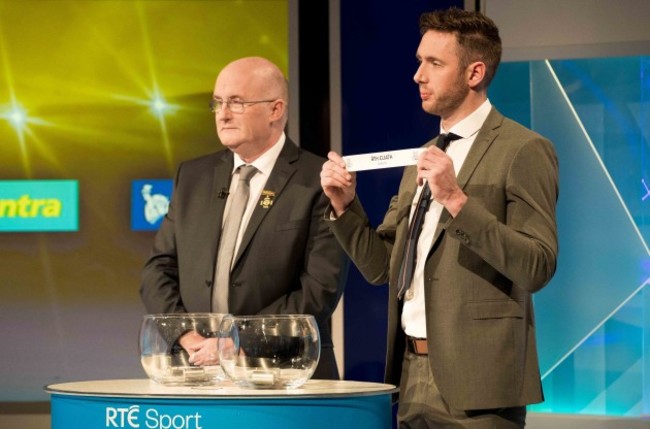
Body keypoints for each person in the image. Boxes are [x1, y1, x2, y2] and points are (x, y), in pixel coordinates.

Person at [320, 8, 558, 428]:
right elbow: (382, 268)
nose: (417, 75)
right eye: (418, 61)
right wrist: (344, 206)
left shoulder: (523, 149)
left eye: (434, 63)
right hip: (411, 376)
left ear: (474, 73)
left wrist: (456, 200)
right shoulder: (423, 156)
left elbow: (536, 266)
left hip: (481, 385)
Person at [141, 56, 348, 380]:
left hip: (286, 375)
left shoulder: (317, 180)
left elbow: (319, 289)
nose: (222, 114)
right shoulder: (192, 176)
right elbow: (159, 268)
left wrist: (236, 341)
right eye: (218, 103)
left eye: (236, 103)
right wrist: (188, 337)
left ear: (275, 110)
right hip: (198, 371)